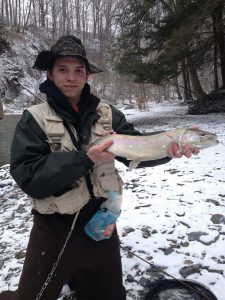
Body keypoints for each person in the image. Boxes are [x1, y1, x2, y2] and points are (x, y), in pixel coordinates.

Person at [0, 35, 199, 300]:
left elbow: (136, 150)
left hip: (101, 225)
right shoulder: (33, 119)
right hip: (53, 229)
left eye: (78, 70)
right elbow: (28, 176)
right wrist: (85, 158)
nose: (71, 77)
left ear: (86, 76)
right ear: (50, 73)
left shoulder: (108, 114)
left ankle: (78, 276)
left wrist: (169, 148)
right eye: (62, 69)